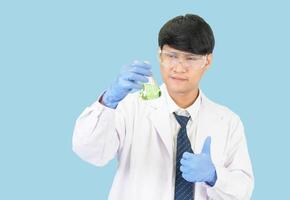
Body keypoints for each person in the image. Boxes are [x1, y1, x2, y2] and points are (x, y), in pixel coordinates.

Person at [72, 14, 254, 200]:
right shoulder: (129, 108)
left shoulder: (228, 122)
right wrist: (107, 103)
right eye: (171, 56)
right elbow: (90, 153)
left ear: (207, 61)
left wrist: (214, 176)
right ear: (160, 55)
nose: (179, 68)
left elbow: (243, 190)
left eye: (190, 58)